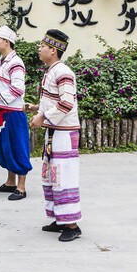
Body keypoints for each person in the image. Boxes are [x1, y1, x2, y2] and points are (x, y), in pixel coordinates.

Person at [31, 29, 82, 241]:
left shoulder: (63, 72)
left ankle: (71, 225)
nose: (39, 49)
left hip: (63, 133)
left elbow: (67, 102)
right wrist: (38, 110)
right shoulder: (53, 71)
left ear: (53, 50)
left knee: (64, 176)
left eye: (43, 46)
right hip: (54, 132)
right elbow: (55, 102)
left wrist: (43, 117)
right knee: (51, 175)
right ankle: (60, 218)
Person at [0, 26, 31, 196]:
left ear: (6, 42)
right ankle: (11, 182)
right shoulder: (2, 60)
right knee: (5, 147)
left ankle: (21, 187)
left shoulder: (16, 62)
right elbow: (3, 86)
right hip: (2, 111)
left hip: (13, 113)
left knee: (17, 147)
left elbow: (18, 89)